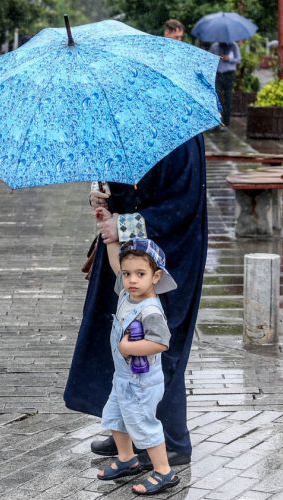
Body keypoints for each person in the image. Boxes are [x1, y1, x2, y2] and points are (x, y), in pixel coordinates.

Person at [64, 132, 208, 470]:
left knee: (157, 342)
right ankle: (128, 431)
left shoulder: (181, 135)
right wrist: (102, 201)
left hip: (167, 257)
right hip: (125, 255)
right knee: (120, 339)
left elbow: (182, 204)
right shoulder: (122, 123)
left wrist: (123, 224)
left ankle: (170, 441)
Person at [91, 232, 180, 495]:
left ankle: (165, 471)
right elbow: (115, 264)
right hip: (123, 378)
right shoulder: (127, 295)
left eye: (140, 274)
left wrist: (128, 347)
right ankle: (128, 459)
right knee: (116, 418)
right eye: (127, 274)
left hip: (141, 382)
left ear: (156, 276)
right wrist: (109, 239)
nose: (131, 279)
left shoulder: (150, 310)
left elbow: (161, 343)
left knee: (143, 423)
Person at [209, 41, 241, 127]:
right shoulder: (215, 46)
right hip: (218, 73)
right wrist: (215, 58)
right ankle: (216, 122)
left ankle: (226, 122)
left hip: (229, 73)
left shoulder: (234, 46)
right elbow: (209, 58)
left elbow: (238, 60)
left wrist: (229, 59)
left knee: (228, 97)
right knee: (216, 97)